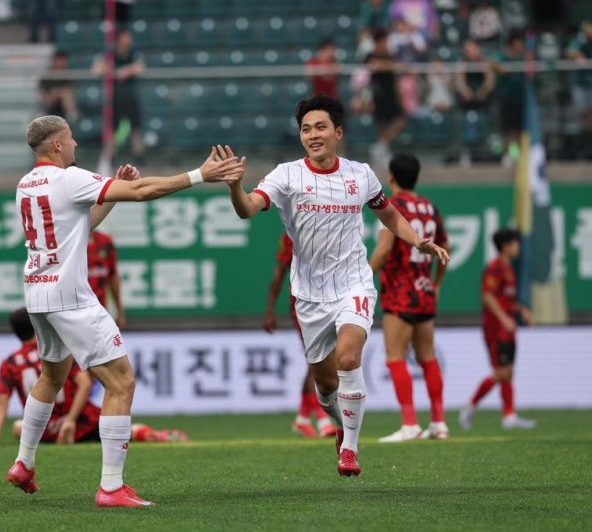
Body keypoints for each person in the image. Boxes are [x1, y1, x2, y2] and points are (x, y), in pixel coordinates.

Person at [7, 114, 243, 507]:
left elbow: (79, 225)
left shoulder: (26, 184)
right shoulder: (68, 178)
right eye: (72, 139)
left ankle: (23, 462)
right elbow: (143, 191)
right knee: (121, 383)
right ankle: (112, 488)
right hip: (71, 297)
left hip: (38, 295)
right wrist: (199, 175)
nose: (77, 145)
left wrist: (110, 192)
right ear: (57, 146)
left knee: (50, 378)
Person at [224, 95, 450, 476]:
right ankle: (342, 421)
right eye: (306, 129)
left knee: (348, 358)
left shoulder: (360, 175)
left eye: (320, 127)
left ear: (338, 132)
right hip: (309, 295)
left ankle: (349, 448)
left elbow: (391, 216)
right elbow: (248, 208)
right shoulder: (286, 175)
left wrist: (417, 241)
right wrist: (234, 187)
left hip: (353, 285)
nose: (313, 135)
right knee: (326, 386)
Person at [0, 309, 183, 448]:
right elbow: (84, 384)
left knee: (19, 427)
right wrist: (70, 420)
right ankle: (154, 435)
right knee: (121, 429)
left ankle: (28, 455)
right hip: (79, 420)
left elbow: (2, 403)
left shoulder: (9, 363)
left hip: (48, 427)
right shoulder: (56, 352)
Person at [369, 153, 450, 442]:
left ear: (391, 177)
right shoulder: (429, 206)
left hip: (399, 291)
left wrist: (362, 275)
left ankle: (409, 423)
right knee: (427, 357)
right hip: (423, 289)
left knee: (395, 356)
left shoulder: (392, 207)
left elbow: (384, 249)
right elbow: (445, 247)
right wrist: (436, 284)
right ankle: (439, 422)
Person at [459, 228, 536, 431]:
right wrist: (503, 318)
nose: (518, 247)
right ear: (506, 245)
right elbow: (488, 296)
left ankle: (509, 415)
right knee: (501, 371)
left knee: (508, 372)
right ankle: (471, 405)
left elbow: (505, 298)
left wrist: (521, 310)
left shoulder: (508, 268)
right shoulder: (494, 268)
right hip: (496, 329)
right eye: (515, 243)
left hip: (508, 327)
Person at [263, 233, 336, 439]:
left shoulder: (335, 223)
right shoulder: (292, 232)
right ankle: (321, 419)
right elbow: (279, 270)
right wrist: (269, 310)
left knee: (324, 360)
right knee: (317, 360)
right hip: (304, 305)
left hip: (333, 301)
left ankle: (303, 419)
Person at [92, 29, 146, 164]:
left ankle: (139, 157)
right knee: (113, 129)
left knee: (135, 128)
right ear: (118, 39)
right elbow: (95, 69)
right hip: (114, 97)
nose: (128, 40)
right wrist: (113, 72)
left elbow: (141, 68)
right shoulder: (109, 55)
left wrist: (125, 71)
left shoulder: (134, 54)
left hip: (130, 96)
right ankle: (110, 157)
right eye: (125, 37)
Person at [366, 29, 406, 169]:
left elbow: (396, 71)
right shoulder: (371, 55)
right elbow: (375, 66)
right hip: (378, 95)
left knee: (399, 122)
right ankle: (382, 153)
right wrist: (390, 66)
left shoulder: (390, 55)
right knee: (382, 125)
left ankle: (379, 148)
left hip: (391, 94)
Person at [565, 21, 592, 132]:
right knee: (582, 110)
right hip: (580, 81)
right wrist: (577, 54)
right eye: (590, 30)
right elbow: (569, 52)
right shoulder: (581, 39)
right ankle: (583, 132)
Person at [490, 30, 526, 166]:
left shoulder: (522, 58)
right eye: (518, 42)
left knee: (518, 128)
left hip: (520, 98)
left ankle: (516, 154)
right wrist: (499, 67)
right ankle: (506, 154)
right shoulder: (502, 56)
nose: (520, 45)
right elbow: (490, 60)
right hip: (505, 97)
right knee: (507, 128)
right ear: (512, 43)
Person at [88, 230, 125, 329]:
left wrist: (120, 310)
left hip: (100, 309)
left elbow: (113, 276)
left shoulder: (105, 241)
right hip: (75, 311)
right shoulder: (69, 241)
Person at [38, 51, 79, 122]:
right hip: (50, 102)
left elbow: (71, 90)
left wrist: (58, 92)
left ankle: (72, 117)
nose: (60, 63)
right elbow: (42, 93)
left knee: (66, 93)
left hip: (64, 104)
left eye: (63, 61)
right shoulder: (47, 76)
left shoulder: (69, 75)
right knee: (45, 99)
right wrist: (53, 95)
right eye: (58, 60)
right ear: (54, 61)